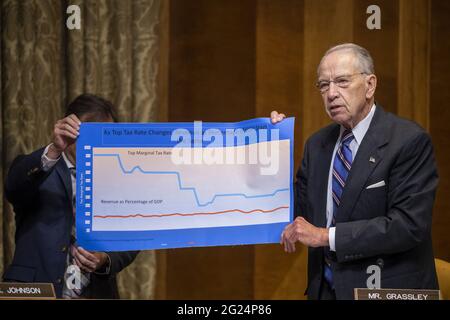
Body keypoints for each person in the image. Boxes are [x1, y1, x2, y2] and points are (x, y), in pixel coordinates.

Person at [273, 43, 439, 299]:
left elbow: (408, 225)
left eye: (341, 81)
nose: (331, 94)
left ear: (370, 85)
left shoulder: (408, 141)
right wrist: (273, 144)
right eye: (324, 85)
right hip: (325, 291)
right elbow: (293, 211)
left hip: (384, 290)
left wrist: (326, 236)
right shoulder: (317, 144)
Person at [3, 94, 139, 299]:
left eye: (104, 135)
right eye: (88, 132)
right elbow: (13, 188)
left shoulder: (120, 179)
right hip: (35, 290)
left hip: (95, 292)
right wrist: (54, 149)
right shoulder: (40, 168)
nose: (95, 142)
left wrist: (105, 258)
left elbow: (132, 237)